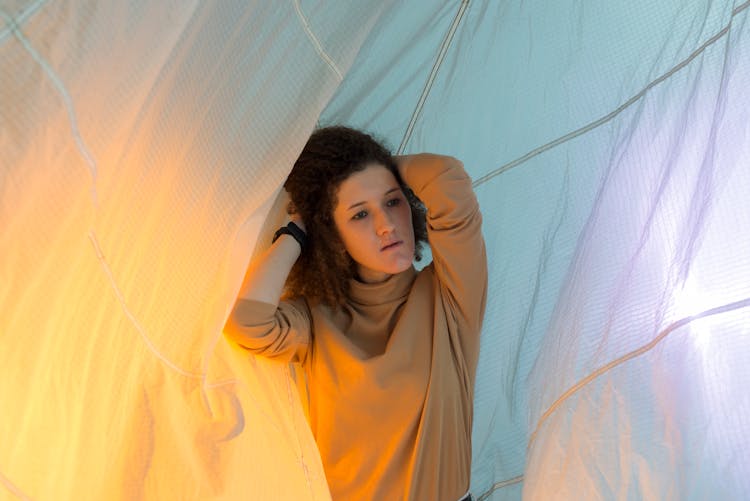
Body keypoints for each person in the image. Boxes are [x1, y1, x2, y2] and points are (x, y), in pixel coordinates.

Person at [225, 126, 488, 501]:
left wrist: (372, 168)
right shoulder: (318, 320)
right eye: (360, 214)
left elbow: (447, 179)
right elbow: (247, 323)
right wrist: (299, 230)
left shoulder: (450, 295)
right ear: (333, 236)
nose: (386, 225)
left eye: (393, 201)